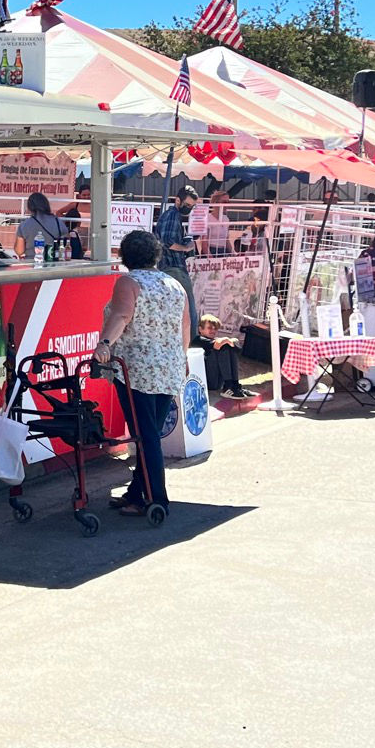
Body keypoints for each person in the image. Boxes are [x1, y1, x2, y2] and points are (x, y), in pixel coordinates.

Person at [94, 231, 186, 515]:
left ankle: (157, 499)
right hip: (169, 367)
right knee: (150, 432)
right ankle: (136, 492)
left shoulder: (128, 282)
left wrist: (104, 344)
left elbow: (121, 315)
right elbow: (185, 327)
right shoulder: (174, 284)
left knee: (145, 436)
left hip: (138, 369)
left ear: (125, 256)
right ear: (156, 255)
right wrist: (181, 358)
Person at [155, 185, 201, 323]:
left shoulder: (171, 215)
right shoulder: (173, 215)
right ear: (177, 201)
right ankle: (191, 339)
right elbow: (167, 241)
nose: (189, 208)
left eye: (192, 206)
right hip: (174, 266)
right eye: (187, 204)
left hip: (168, 267)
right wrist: (185, 248)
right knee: (189, 307)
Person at [194, 313, 252, 400]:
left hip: (217, 381)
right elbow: (218, 344)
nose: (213, 331)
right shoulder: (198, 340)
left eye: (215, 328)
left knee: (229, 347)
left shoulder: (214, 340)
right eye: (209, 328)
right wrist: (230, 340)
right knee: (223, 346)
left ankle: (235, 385)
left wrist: (232, 342)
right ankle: (228, 386)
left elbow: (238, 348)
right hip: (205, 381)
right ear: (200, 329)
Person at [16, 191, 77, 262]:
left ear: (30, 207)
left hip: (31, 263)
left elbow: (19, 251)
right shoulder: (58, 222)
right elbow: (66, 244)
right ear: (46, 205)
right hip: (54, 263)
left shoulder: (24, 225)